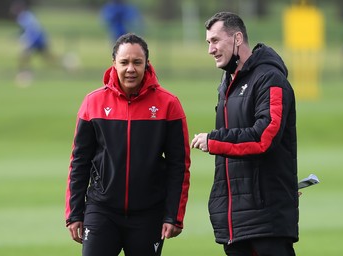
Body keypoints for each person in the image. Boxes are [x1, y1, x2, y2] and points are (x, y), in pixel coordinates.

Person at [65, 33, 191, 256]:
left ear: (147, 64)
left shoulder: (169, 104)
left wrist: (174, 215)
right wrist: (74, 213)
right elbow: (79, 162)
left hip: (148, 214)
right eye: (124, 62)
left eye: (137, 62)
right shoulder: (92, 102)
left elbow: (179, 165)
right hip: (101, 210)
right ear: (114, 64)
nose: (130, 68)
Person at [190, 12, 298, 256]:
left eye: (216, 41)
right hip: (234, 221)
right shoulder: (226, 82)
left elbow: (264, 138)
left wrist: (214, 140)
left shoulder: (270, 78)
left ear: (237, 38)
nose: (211, 49)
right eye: (208, 42)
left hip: (266, 220)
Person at [9, 0, 56, 85]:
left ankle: (25, 74)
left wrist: (26, 41)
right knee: (47, 58)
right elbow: (25, 30)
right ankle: (26, 73)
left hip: (37, 40)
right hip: (38, 39)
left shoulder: (23, 17)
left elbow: (30, 31)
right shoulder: (27, 15)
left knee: (25, 56)